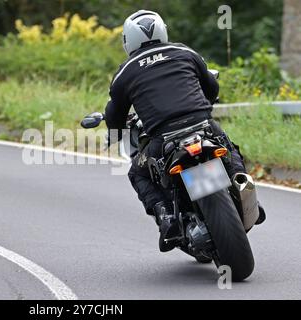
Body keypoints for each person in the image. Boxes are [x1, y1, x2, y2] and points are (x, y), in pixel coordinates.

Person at [104, 10, 265, 252]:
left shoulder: (124, 73)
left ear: (127, 40)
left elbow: (115, 115)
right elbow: (211, 88)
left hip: (164, 138)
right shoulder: (185, 52)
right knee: (228, 149)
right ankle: (245, 192)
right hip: (203, 126)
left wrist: (115, 132)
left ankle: (166, 216)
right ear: (163, 30)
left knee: (138, 173)